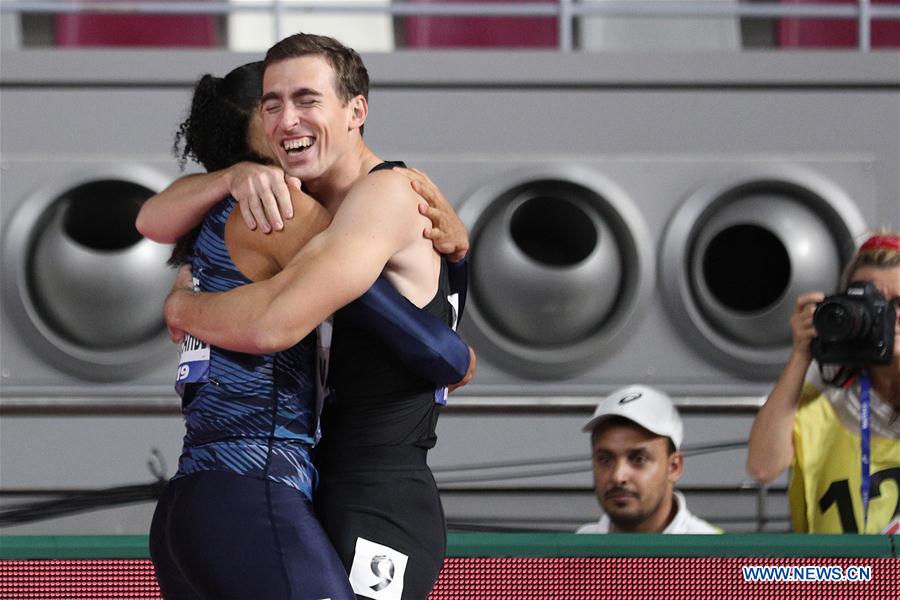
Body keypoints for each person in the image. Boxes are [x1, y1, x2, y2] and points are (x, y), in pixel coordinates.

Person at [147, 59, 473, 600]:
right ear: (258, 127)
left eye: (301, 104)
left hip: (202, 498)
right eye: (274, 108)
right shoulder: (281, 211)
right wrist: (459, 354)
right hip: (272, 487)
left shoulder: (209, 216)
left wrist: (182, 301)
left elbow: (148, 219)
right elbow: (283, 325)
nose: (288, 124)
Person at [746, 232, 900, 534]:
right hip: (835, 575)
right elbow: (762, 467)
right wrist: (801, 354)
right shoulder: (826, 382)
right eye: (873, 302)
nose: (887, 316)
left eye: (898, 302)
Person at [577, 384, 721, 534]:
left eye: (639, 459)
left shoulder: (717, 553)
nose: (618, 476)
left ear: (674, 467)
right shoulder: (575, 549)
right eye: (605, 460)